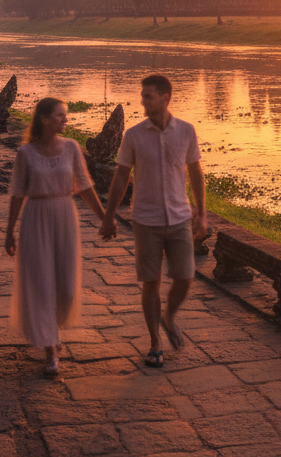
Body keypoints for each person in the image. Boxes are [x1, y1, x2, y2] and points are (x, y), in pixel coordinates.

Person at [99, 73, 207, 368]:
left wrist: (202, 213)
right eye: (142, 96)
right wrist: (109, 216)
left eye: (148, 96)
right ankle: (155, 341)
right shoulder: (134, 135)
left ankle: (169, 316)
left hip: (180, 216)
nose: (143, 101)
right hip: (145, 219)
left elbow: (196, 172)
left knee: (185, 277)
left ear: (165, 98)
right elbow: (121, 177)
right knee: (151, 282)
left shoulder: (185, 131)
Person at [5, 97, 106, 377]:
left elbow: (85, 186)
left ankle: (52, 331)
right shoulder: (26, 153)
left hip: (64, 215)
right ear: (44, 119)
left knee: (66, 287)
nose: (66, 120)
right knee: (42, 284)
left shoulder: (72, 148)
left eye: (66, 115)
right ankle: (50, 349)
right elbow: (17, 193)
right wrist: (9, 231)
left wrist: (105, 218)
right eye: (60, 115)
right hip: (36, 217)